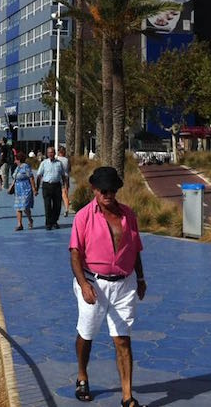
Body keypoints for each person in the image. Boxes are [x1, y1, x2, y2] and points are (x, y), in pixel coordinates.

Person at [69, 166, 146, 406]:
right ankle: (82, 375)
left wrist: (141, 279)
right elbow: (74, 253)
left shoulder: (128, 215)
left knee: (123, 339)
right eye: (103, 189)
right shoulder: (83, 216)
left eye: (112, 189)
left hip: (124, 284)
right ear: (94, 189)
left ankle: (127, 396)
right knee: (87, 334)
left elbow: (136, 250)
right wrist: (83, 284)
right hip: (93, 282)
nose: (107, 194)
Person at [35, 146, 67, 230]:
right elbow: (39, 176)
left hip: (57, 186)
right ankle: (48, 223)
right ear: (47, 154)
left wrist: (64, 185)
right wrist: (37, 188)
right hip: (47, 186)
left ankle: (54, 221)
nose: (50, 154)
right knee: (48, 205)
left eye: (52, 152)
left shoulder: (59, 163)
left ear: (55, 153)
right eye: (49, 153)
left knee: (57, 205)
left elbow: (63, 175)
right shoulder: (44, 163)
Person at [12, 152, 36, 231]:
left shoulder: (26, 167)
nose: (14, 161)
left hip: (25, 188)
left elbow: (31, 177)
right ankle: (19, 224)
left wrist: (34, 188)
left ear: (18, 160)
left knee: (25, 206)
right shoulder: (17, 168)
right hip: (18, 189)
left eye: (15, 159)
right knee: (18, 207)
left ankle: (30, 220)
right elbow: (14, 177)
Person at [57, 145, 71, 217]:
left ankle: (63, 209)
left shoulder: (57, 159)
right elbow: (69, 169)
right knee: (65, 194)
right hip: (66, 177)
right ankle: (66, 208)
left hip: (59, 177)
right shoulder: (67, 160)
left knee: (62, 194)